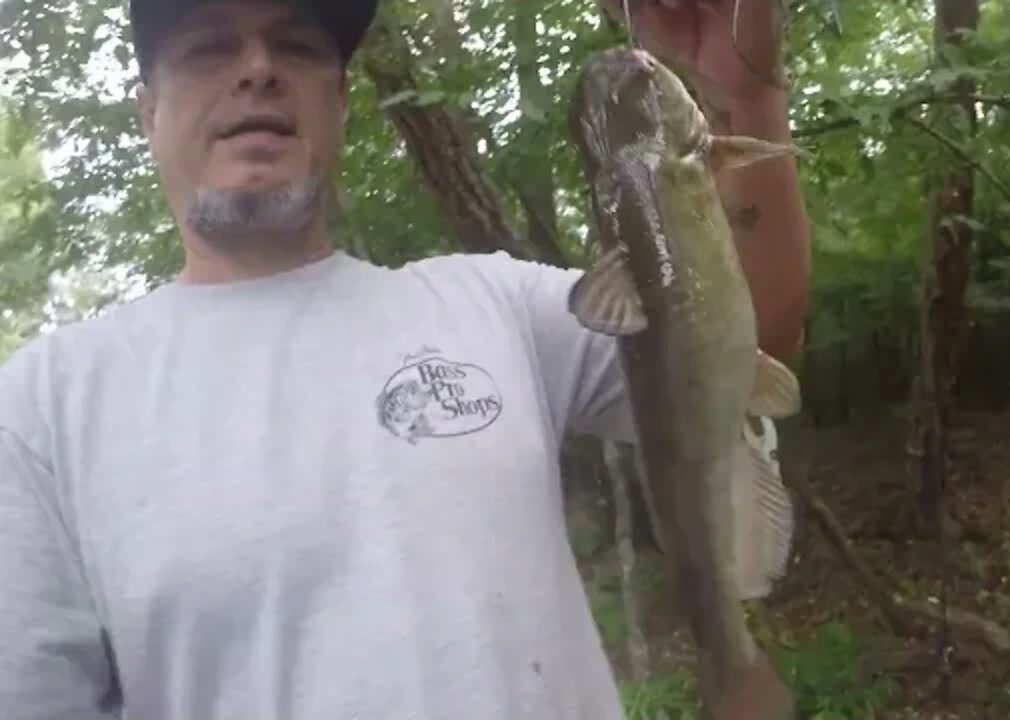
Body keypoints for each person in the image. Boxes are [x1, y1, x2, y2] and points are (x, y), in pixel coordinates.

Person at [0, 0, 811, 717]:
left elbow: (751, 340)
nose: (258, 70)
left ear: (341, 100)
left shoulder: (499, 304)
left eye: (297, 45)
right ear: (148, 112)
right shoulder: (42, 406)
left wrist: (740, 88)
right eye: (209, 47)